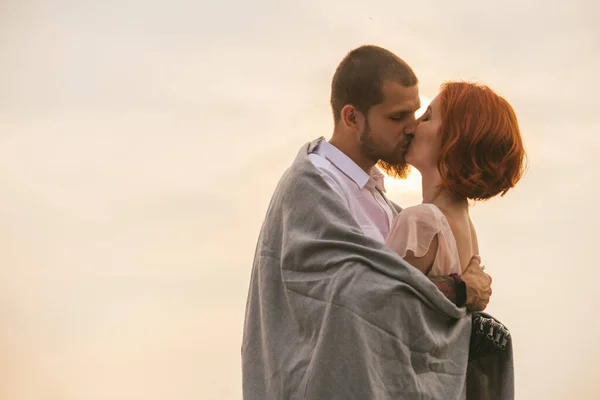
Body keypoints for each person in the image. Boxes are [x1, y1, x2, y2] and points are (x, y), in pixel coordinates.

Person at [242, 45, 507, 400]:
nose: (411, 128)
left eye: (418, 114)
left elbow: (398, 315)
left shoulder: (389, 207)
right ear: (352, 118)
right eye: (398, 118)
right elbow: (352, 300)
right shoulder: (311, 184)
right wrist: (457, 291)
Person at [386, 81, 526, 284]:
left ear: (453, 138)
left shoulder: (420, 221)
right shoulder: (467, 229)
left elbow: (374, 305)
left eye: (427, 117)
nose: (414, 125)